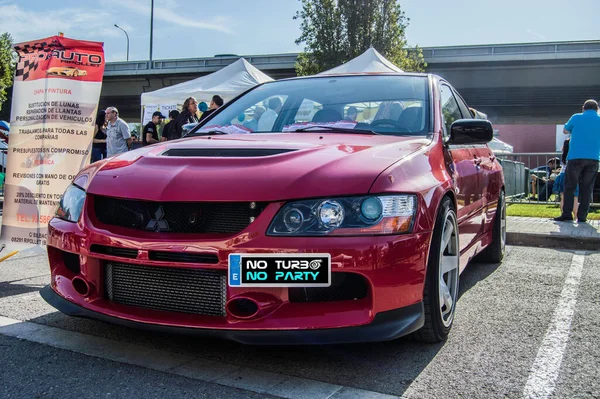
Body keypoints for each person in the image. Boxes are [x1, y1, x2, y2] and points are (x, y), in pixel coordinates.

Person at [554, 99, 600, 223]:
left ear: (583, 108)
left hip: (575, 157)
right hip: (594, 158)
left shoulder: (576, 117)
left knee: (570, 186)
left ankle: (567, 214)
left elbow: (565, 130)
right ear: (597, 109)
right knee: (587, 188)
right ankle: (582, 216)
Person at [553, 138, 579, 217]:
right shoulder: (575, 154)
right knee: (575, 197)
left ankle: (564, 215)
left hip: (563, 176)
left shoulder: (564, 155)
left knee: (563, 197)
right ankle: (576, 217)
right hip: (573, 175)